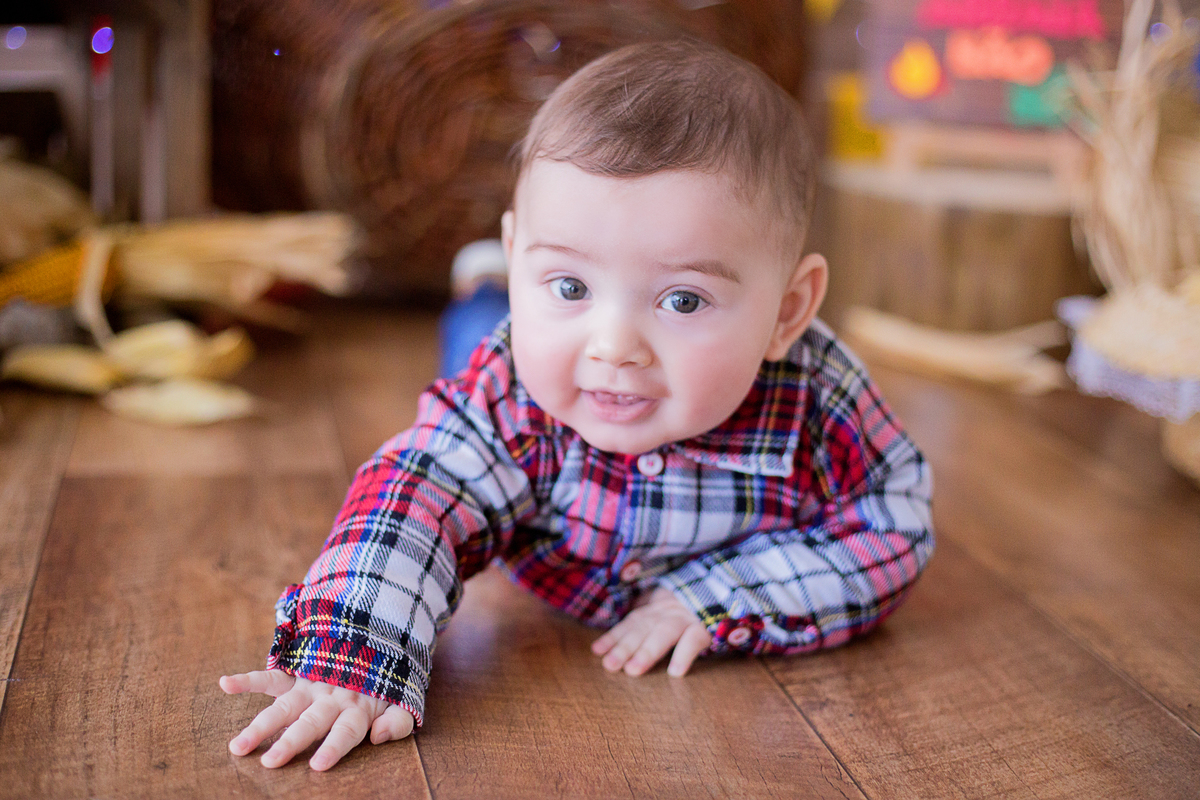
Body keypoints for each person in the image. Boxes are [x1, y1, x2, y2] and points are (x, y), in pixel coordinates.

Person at [220, 38, 934, 772]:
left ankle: (515, 289)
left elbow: (893, 521)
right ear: (521, 241)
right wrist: (354, 654)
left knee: (510, 335)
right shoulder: (513, 392)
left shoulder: (818, 396)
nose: (615, 344)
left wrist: (721, 598)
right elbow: (416, 495)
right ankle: (492, 288)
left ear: (788, 312)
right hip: (521, 442)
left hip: (696, 558)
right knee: (475, 346)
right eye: (570, 285)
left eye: (682, 299)